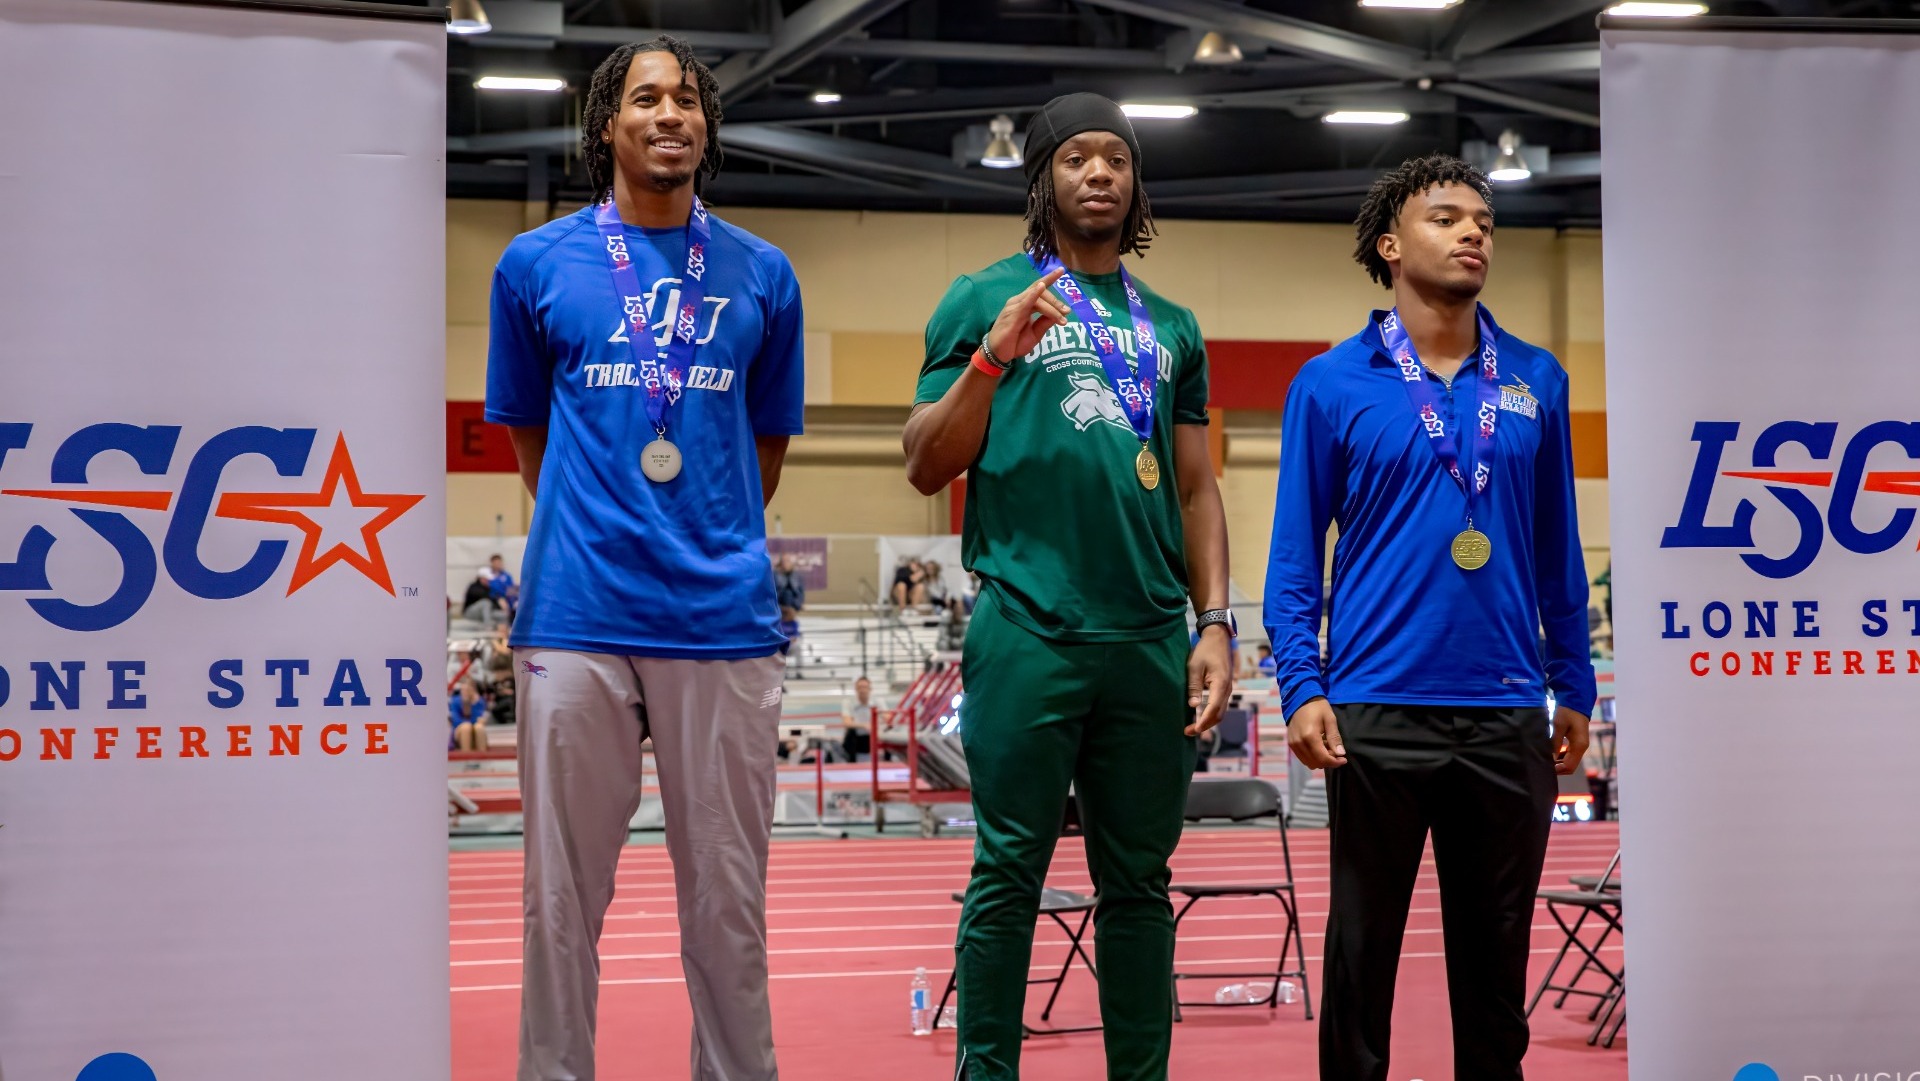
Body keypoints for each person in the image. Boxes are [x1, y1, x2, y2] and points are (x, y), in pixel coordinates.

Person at [484, 34, 804, 1081]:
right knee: (559, 900)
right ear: (607, 127)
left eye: (689, 101)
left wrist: (698, 532)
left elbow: (763, 451)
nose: (671, 115)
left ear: (705, 127)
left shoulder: (765, 273)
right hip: (577, 611)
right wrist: (605, 517)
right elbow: (532, 438)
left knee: (727, 899)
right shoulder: (535, 265)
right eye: (647, 98)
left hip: (721, 619)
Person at [902, 92, 1234, 1081]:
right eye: (1077, 158)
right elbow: (924, 462)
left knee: (1139, 883)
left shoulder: (1173, 324)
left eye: (1117, 160)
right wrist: (996, 354)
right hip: (1028, 629)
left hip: (1146, 641)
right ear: (1042, 176)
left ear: (1136, 182)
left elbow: (1195, 486)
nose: (1099, 174)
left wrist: (1212, 622)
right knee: (1007, 875)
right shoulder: (982, 297)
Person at [1263, 154, 1596, 1081]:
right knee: (1361, 957)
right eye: (1447, 217)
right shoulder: (1330, 384)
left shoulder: (1536, 377)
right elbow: (1295, 558)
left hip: (1503, 710)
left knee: (1496, 970)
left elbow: (1557, 544)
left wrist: (1574, 678)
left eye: (1483, 220)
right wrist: (1302, 686)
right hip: (1374, 709)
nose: (1474, 232)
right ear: (1390, 244)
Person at [839, 675, 883, 762]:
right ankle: (851, 764)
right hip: (855, 738)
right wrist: (864, 725)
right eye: (860, 687)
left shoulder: (878, 701)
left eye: (865, 687)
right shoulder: (848, 702)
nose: (862, 690)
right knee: (850, 733)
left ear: (870, 689)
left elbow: (888, 717)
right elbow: (846, 722)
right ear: (856, 689)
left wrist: (877, 724)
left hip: (873, 736)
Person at [773, 552, 805, 656]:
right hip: (780, 604)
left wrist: (800, 604)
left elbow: (800, 591)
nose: (787, 563)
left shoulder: (796, 576)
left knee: (789, 593)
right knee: (786, 593)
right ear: (781, 563)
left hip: (792, 605)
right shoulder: (775, 574)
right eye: (785, 561)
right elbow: (773, 592)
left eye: (788, 561)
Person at [450, 676, 490, 751]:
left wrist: (473, 703)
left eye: (468, 690)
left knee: (479, 727)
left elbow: (480, 719)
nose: (465, 692)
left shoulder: (479, 701)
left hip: (475, 731)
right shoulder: (455, 701)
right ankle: (466, 756)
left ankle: (482, 756)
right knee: (466, 727)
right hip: (460, 731)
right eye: (463, 690)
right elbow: (456, 721)